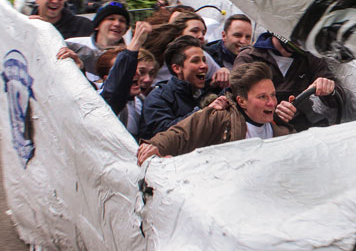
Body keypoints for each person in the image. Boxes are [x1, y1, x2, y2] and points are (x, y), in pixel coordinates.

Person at [136, 62, 295, 164]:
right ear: (241, 101)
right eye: (262, 97)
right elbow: (181, 134)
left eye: (273, 95)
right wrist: (154, 146)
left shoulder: (279, 128)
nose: (272, 102)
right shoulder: (219, 118)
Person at [234, 31, 337, 131]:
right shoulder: (249, 57)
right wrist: (273, 115)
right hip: (266, 129)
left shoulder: (310, 58)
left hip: (303, 126)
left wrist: (328, 88)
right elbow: (237, 102)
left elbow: (337, 99)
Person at [138, 35, 209, 140]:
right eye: (195, 61)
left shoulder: (207, 92)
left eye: (204, 60)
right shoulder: (159, 97)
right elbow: (164, 134)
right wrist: (201, 113)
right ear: (177, 68)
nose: (204, 66)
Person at [99, 21, 156, 138]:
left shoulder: (142, 101)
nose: (135, 74)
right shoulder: (100, 102)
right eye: (127, 70)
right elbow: (114, 92)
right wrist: (136, 42)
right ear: (107, 79)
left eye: (135, 69)